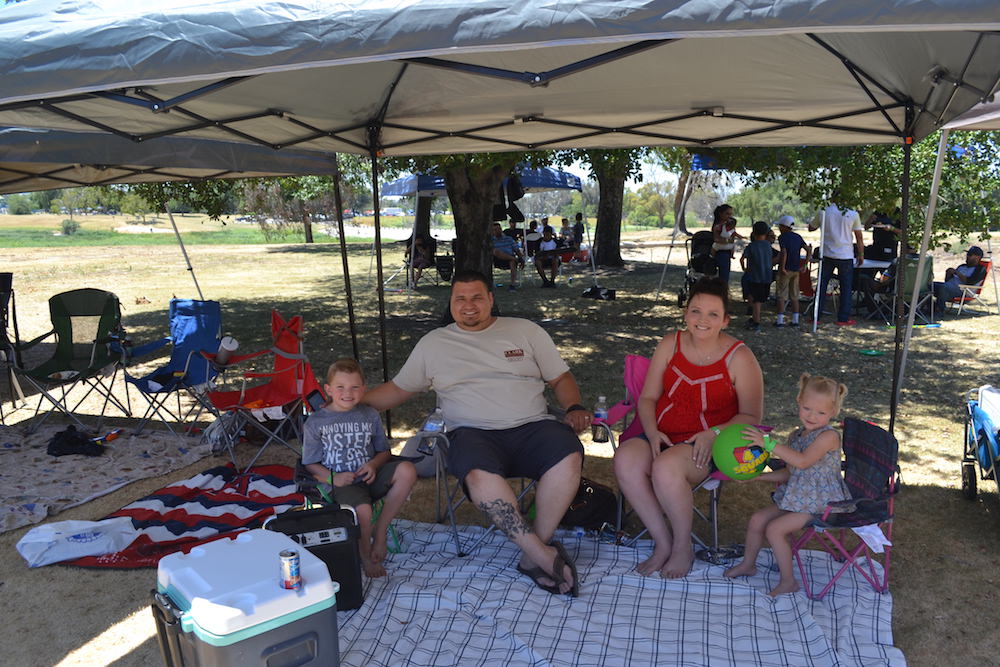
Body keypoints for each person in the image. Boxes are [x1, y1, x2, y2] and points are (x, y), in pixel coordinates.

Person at [363, 270, 590, 596]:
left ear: (491, 300)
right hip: (472, 433)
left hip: (533, 426)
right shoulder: (434, 344)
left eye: (477, 298)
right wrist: (348, 403)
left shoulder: (525, 331)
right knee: (478, 473)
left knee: (568, 454)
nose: (469, 306)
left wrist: (573, 408)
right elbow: (398, 390)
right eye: (460, 299)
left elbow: (561, 379)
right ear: (451, 302)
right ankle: (543, 554)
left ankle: (531, 554)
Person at [613, 276, 764, 578]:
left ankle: (683, 546)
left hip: (709, 442)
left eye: (712, 314)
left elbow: (751, 415)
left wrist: (714, 433)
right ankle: (662, 542)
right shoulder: (671, 343)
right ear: (685, 313)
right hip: (662, 432)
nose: (702, 320)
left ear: (725, 320)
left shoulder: (740, 357)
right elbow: (648, 398)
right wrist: (653, 432)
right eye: (695, 311)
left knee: (666, 468)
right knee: (625, 460)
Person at [724, 374, 851, 596]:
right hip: (798, 496)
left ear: (833, 413)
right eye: (807, 408)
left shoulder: (829, 437)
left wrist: (768, 443)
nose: (812, 416)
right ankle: (748, 564)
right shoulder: (796, 435)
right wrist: (758, 477)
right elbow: (791, 471)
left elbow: (803, 461)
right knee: (757, 519)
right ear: (799, 401)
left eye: (821, 413)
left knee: (775, 529)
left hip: (822, 503)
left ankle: (788, 581)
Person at [302, 358, 418, 579]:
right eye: (340, 387)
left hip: (368, 475)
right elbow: (309, 463)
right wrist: (332, 478)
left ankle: (380, 533)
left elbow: (384, 451)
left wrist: (374, 464)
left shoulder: (369, 414)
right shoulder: (316, 422)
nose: (348, 393)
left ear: (363, 389)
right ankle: (364, 555)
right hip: (341, 483)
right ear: (328, 390)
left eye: (355, 387)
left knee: (407, 470)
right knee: (363, 510)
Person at [808, 199, 864, 326]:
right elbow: (859, 236)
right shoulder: (853, 214)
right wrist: (861, 254)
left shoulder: (824, 211)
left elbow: (811, 227)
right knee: (846, 288)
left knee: (821, 286)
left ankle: (815, 316)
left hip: (827, 254)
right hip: (845, 255)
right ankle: (843, 318)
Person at [774, 216, 810, 327]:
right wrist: (805, 265)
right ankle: (795, 320)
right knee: (794, 295)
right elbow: (808, 250)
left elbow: (784, 252)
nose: (779, 228)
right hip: (796, 270)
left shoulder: (782, 237)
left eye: (780, 226)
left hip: (786, 269)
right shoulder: (798, 237)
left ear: (784, 227)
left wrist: (783, 267)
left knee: (781, 295)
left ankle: (780, 321)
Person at [934, 245, 987, 313]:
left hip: (963, 291)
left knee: (943, 288)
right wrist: (949, 274)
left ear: (978, 257)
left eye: (970, 255)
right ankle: (926, 307)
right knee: (928, 285)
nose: (967, 256)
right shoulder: (962, 266)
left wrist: (957, 273)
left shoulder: (980, 269)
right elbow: (948, 281)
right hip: (949, 288)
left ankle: (939, 311)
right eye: (967, 254)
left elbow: (970, 282)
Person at [742, 221, 774, 332]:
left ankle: (756, 321)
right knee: (759, 299)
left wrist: (744, 268)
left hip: (754, 277)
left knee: (756, 301)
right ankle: (754, 318)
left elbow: (742, 258)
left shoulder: (751, 246)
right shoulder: (768, 246)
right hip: (767, 276)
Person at [711, 204, 740, 283]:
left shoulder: (730, 225)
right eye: (727, 214)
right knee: (723, 279)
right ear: (721, 214)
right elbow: (716, 239)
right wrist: (727, 241)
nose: (729, 216)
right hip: (721, 253)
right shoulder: (718, 226)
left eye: (731, 214)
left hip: (727, 253)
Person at [491, 222, 525, 290]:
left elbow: (516, 249)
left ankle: (512, 285)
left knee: (512, 261)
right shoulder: (491, 240)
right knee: (495, 251)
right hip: (497, 260)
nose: (498, 231)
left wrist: (521, 258)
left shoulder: (509, 239)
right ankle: (515, 259)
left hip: (509, 259)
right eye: (495, 229)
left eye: (499, 229)